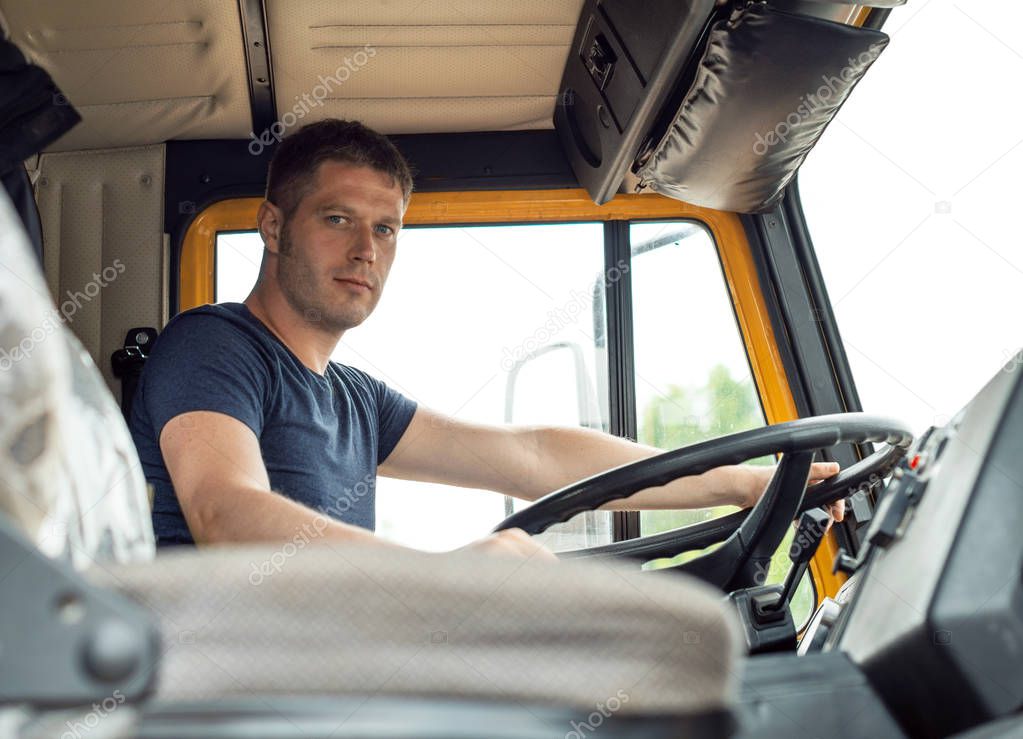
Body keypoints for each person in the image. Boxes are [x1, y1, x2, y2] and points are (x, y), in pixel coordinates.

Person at [130, 119, 842, 560]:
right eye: (337, 219)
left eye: (385, 229)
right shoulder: (213, 347)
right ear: (274, 226)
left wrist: (744, 482)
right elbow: (225, 511)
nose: (366, 250)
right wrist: (445, 575)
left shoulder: (354, 400)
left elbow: (528, 454)